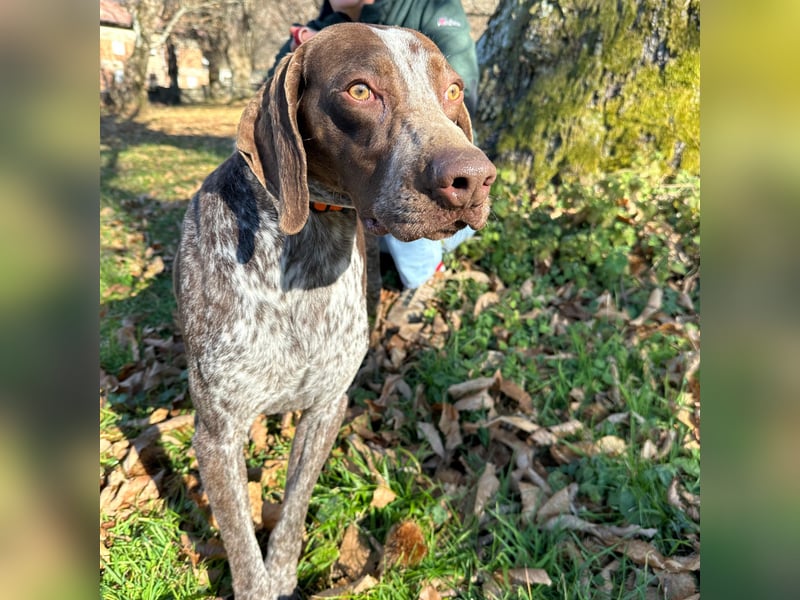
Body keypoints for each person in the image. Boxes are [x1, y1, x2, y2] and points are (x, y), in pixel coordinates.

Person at [269, 0, 483, 320]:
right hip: (335, 202)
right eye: (359, 91)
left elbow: (463, 89)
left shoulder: (430, 8)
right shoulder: (312, 32)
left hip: (435, 179)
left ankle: (423, 278)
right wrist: (307, 55)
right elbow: (272, 111)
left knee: (401, 165)